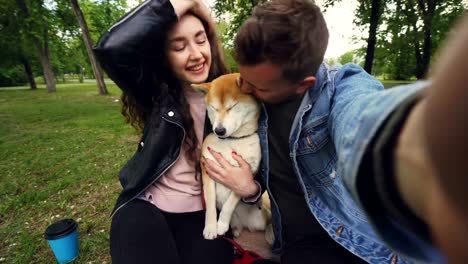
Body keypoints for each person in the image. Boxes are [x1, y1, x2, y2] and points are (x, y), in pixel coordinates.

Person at [202, 0, 467, 263]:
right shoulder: (250, 103)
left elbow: (361, 121)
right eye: (243, 78)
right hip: (302, 241)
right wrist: (250, 188)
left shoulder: (342, 87)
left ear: (302, 85)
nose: (244, 89)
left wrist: (428, 135)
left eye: (258, 86)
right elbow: (260, 172)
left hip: (355, 233)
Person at [92, 0, 246, 263]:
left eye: (201, 40)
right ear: (164, 56)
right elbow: (111, 48)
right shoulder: (157, 93)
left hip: (203, 212)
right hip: (150, 206)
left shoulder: (235, 93)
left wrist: (251, 189)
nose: (196, 54)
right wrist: (192, 2)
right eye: (179, 46)